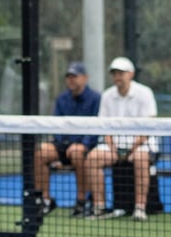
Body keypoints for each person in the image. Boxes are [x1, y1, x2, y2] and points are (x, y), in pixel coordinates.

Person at [84, 57, 157, 221]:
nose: (118, 76)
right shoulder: (107, 95)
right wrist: (113, 148)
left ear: (131, 74)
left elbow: (148, 127)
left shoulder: (145, 93)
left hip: (141, 145)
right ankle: (99, 207)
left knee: (140, 158)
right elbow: (105, 127)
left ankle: (139, 208)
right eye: (115, 73)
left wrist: (130, 150)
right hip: (114, 147)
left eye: (121, 73)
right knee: (92, 158)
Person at [34, 61, 100, 217]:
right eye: (68, 77)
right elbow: (56, 126)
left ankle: (82, 201)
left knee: (77, 152)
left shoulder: (96, 98)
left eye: (74, 76)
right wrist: (62, 144)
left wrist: (83, 145)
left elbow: (96, 127)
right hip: (62, 146)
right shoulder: (61, 98)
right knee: (41, 152)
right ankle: (45, 200)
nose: (71, 80)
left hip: (84, 147)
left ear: (85, 78)